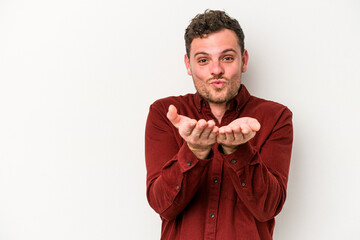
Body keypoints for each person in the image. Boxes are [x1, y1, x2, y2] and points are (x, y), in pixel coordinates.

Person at [145, 9, 293, 240]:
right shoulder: (164, 113)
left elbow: (268, 208)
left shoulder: (276, 117)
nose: (216, 70)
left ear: (243, 60)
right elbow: (163, 206)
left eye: (227, 58)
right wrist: (193, 151)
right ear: (188, 64)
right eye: (203, 60)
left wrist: (238, 151)